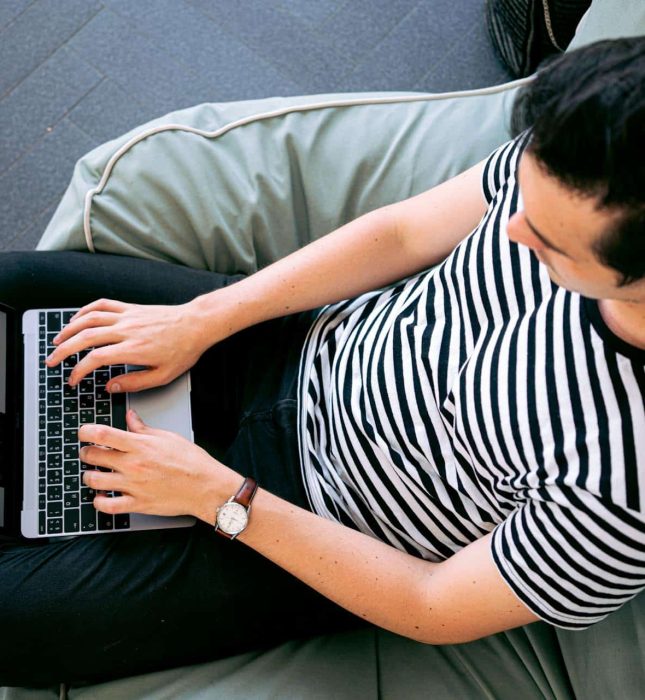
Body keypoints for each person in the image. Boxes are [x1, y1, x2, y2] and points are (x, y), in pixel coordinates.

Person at [0, 37, 643, 689]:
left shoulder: (623, 491)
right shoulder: (583, 148)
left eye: (547, 243)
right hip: (293, 342)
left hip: (307, 522)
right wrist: (198, 319)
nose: (511, 229)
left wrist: (215, 493)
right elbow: (403, 233)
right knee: (13, 292)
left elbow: (431, 605)